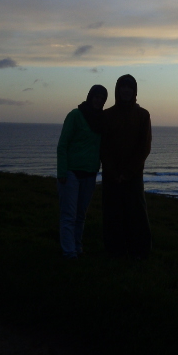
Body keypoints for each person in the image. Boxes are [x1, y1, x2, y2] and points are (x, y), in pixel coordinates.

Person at [101, 74, 152, 259]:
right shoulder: (107, 115)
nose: (126, 90)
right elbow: (103, 147)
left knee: (136, 213)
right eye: (123, 87)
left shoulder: (143, 115)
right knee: (112, 213)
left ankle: (140, 252)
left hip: (134, 175)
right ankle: (114, 251)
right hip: (111, 175)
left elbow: (144, 147)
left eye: (130, 87)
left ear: (134, 91)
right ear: (117, 89)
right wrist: (113, 171)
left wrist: (129, 172)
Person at [56, 84, 108, 259]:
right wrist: (62, 172)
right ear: (90, 96)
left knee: (80, 215)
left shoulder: (101, 120)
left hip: (90, 174)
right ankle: (69, 252)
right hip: (71, 173)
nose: (99, 101)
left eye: (102, 98)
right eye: (97, 97)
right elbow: (63, 144)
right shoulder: (75, 115)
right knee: (69, 215)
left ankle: (77, 247)